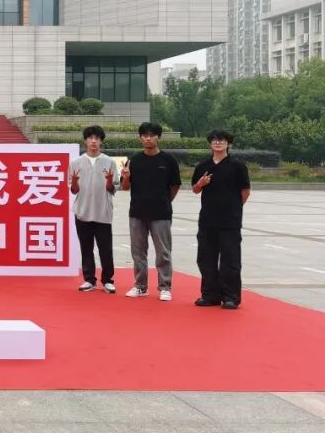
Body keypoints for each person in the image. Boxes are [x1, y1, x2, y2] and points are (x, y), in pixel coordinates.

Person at [121, 122, 181, 301]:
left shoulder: (168, 160)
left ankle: (165, 287)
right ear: (140, 138)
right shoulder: (134, 160)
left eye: (152, 135)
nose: (148, 138)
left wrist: (165, 202)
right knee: (138, 252)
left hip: (161, 213)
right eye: (145, 135)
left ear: (158, 137)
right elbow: (125, 187)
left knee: (163, 252)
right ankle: (140, 286)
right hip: (137, 212)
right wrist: (126, 177)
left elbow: (175, 185)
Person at [192, 130, 251, 310]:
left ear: (228, 144)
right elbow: (195, 189)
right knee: (206, 258)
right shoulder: (203, 166)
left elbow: (245, 191)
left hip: (229, 221)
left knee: (230, 260)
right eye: (214, 140)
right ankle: (210, 295)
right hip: (207, 219)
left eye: (222, 140)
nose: (218, 143)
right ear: (210, 143)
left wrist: (234, 209)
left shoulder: (237, 166)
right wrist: (201, 184)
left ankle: (231, 297)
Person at [69, 125, 117, 293]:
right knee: (86, 247)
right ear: (85, 141)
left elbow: (112, 189)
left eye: (97, 138)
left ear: (101, 141)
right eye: (90, 138)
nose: (93, 141)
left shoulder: (109, 162)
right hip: (82, 211)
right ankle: (89, 279)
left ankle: (107, 280)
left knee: (105, 248)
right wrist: (75, 182)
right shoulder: (76, 163)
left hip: (103, 211)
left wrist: (109, 180)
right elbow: (73, 190)